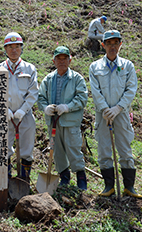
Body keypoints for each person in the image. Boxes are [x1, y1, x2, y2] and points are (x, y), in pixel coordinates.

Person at [89, 30, 142, 198]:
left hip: (121, 114)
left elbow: (131, 89)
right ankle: (109, 187)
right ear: (103, 45)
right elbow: (95, 91)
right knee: (104, 150)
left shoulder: (128, 66)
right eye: (109, 44)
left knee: (125, 149)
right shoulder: (95, 67)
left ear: (120, 44)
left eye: (115, 43)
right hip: (102, 115)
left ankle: (129, 187)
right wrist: (105, 109)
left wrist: (118, 108)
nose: (112, 47)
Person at [0, 32, 38, 181]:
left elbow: (33, 92)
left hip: (25, 115)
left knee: (26, 148)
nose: (14, 50)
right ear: (5, 49)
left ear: (21, 48)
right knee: (4, 148)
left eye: (17, 47)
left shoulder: (29, 69)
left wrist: (23, 110)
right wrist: (3, 109)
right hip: (5, 115)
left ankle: (24, 180)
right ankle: (5, 180)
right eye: (10, 47)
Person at [38, 46, 88, 190]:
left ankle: (81, 179)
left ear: (69, 60)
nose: (62, 61)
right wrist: (45, 108)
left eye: (64, 58)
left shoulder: (76, 78)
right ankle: (64, 177)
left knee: (73, 149)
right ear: (53, 60)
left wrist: (67, 107)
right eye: (58, 58)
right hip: (53, 122)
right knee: (57, 151)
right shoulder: (48, 79)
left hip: (70, 121)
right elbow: (41, 98)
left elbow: (82, 97)